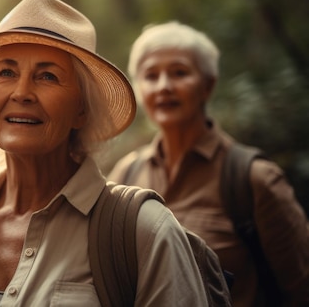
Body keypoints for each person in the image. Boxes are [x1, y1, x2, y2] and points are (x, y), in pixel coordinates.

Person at [0, 0, 210, 306]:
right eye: (6, 72)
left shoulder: (144, 231)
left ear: (81, 110)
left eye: (47, 76)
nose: (22, 92)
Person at [108, 21, 309, 306]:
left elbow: (301, 289)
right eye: (151, 76)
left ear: (208, 85)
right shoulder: (125, 175)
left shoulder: (253, 179)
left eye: (179, 73)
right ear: (139, 89)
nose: (164, 86)